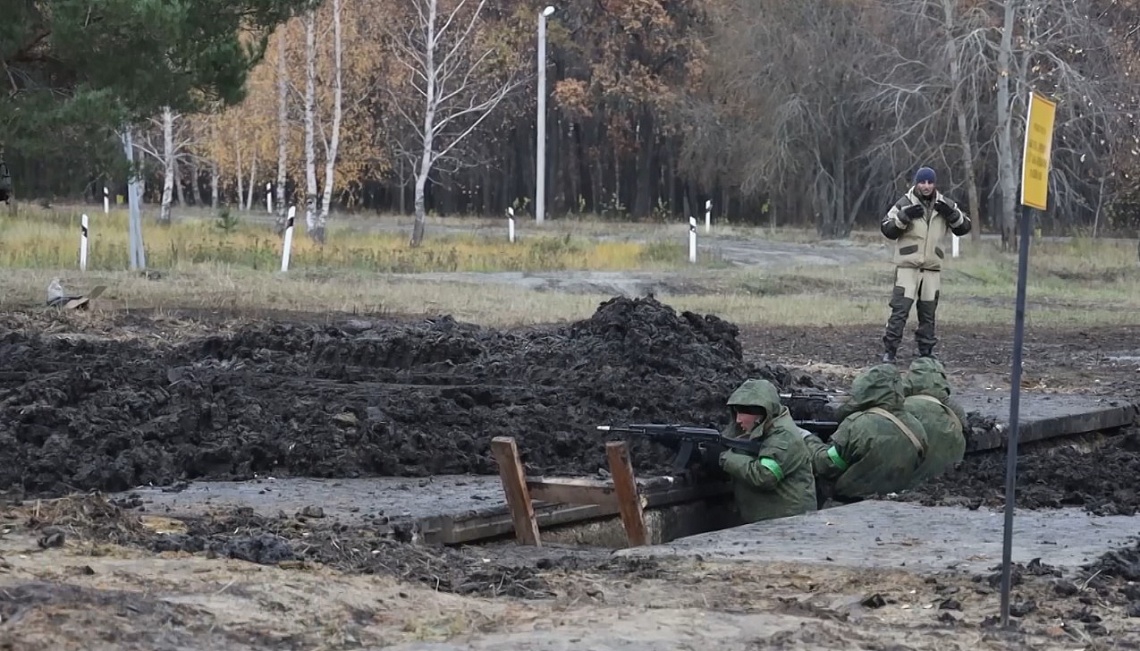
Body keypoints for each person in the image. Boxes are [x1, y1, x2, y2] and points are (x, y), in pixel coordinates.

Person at [879, 166, 972, 363]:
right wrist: (904, 217)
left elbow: (964, 228)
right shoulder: (904, 202)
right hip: (907, 267)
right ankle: (890, 352)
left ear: (935, 183)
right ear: (916, 183)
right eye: (922, 182)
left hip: (931, 268)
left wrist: (951, 214)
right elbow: (887, 228)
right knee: (900, 310)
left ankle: (926, 353)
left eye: (930, 182)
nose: (926, 186)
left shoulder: (945, 204)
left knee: (928, 314)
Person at [802, 364, 928, 503]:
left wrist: (809, 439)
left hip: (850, 503)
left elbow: (826, 465)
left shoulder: (857, 424)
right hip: (896, 501)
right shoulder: (916, 426)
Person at [704, 378, 818, 523]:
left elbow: (764, 475)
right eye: (736, 412)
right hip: (772, 521)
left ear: (761, 412)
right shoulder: (762, 429)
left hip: (789, 522)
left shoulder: (783, 436)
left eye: (743, 413)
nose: (738, 420)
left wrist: (724, 458)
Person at [902, 357, 967, 486]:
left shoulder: (902, 406)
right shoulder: (954, 409)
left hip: (905, 478)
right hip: (947, 479)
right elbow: (966, 431)